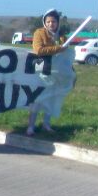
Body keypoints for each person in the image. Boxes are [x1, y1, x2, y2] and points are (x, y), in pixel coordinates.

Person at [27, 8, 67, 136]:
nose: (51, 24)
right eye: (48, 21)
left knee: (51, 99)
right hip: (41, 71)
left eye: (54, 21)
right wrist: (58, 48)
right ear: (45, 22)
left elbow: (65, 51)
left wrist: (61, 46)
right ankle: (31, 127)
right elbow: (38, 50)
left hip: (56, 72)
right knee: (37, 100)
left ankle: (46, 124)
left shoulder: (61, 36)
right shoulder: (39, 33)